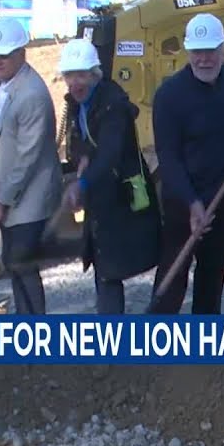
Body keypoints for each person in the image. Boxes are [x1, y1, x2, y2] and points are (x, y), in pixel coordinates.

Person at [148, 13, 224, 314]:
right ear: (188, 51)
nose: (205, 59)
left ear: (223, 49)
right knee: (172, 277)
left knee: (213, 276)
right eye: (198, 52)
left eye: (211, 51)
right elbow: (168, 157)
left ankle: (204, 351)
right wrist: (193, 204)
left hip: (223, 197)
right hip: (182, 201)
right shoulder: (169, 96)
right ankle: (156, 347)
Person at [58, 39, 161, 314]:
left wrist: (82, 182)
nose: (75, 82)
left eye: (81, 75)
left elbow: (110, 151)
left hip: (121, 194)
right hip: (100, 193)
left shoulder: (113, 105)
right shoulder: (78, 104)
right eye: (69, 76)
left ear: (94, 74)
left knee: (112, 267)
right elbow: (81, 143)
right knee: (105, 267)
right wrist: (83, 160)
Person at [0, 17, 63, 315]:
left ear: (21, 53)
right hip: (11, 192)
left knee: (23, 264)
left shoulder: (32, 94)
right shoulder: (3, 84)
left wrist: (3, 199)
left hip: (30, 197)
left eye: (4, 55)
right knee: (16, 265)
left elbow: (28, 155)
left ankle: (35, 332)